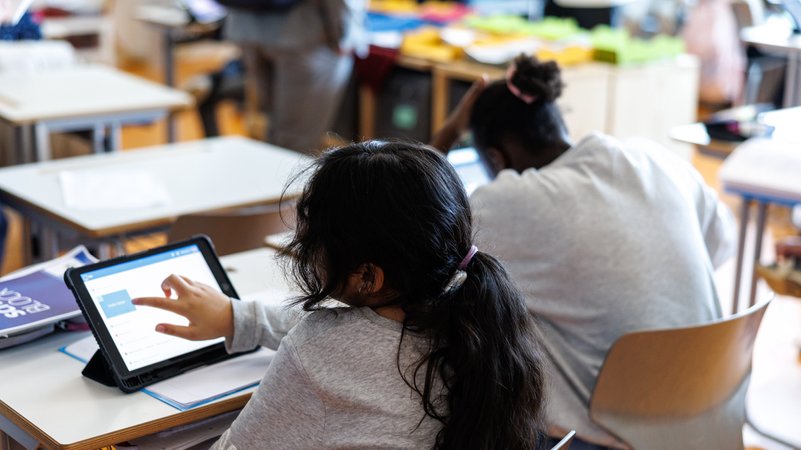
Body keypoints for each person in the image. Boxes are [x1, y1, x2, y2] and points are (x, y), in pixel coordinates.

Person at [133, 141, 549, 449]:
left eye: (313, 235)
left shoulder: (319, 347)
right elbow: (367, 341)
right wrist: (239, 319)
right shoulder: (479, 324)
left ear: (367, 276)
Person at [432, 55, 736, 449]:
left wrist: (448, 134)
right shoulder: (654, 159)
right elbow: (722, 241)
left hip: (610, 435)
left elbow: (411, 221)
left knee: (478, 340)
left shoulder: (511, 201)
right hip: (711, 412)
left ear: (495, 158)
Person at [224, 0, 366, 154]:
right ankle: (284, 176)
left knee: (274, 128)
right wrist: (345, 34)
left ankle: (272, 174)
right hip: (306, 32)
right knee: (296, 140)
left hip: (245, 27)